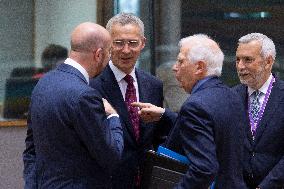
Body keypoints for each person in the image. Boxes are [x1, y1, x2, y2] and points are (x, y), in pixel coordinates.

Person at [133, 34, 247, 188]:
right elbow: (212, 130)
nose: (174, 67)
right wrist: (165, 114)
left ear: (199, 67)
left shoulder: (195, 106)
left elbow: (204, 170)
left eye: (181, 61)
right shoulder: (232, 96)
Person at [22, 22, 124, 188]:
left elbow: (31, 149)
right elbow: (111, 155)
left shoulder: (43, 83)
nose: (109, 59)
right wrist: (113, 116)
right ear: (98, 54)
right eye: (109, 53)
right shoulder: (85, 96)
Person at [89, 13, 171, 188]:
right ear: (107, 44)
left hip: (146, 181)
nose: (126, 50)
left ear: (143, 43)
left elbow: (155, 137)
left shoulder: (153, 84)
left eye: (133, 43)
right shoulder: (92, 85)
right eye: (118, 43)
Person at [233, 33, 284, 189]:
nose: (240, 66)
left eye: (248, 60)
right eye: (237, 60)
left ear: (268, 62)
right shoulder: (231, 97)